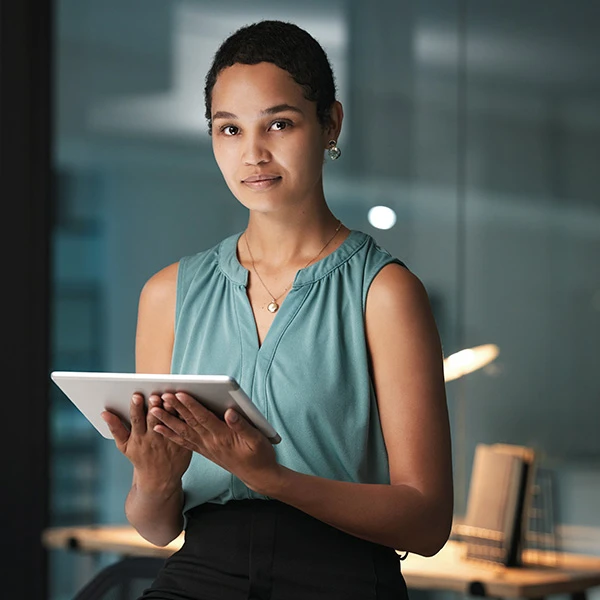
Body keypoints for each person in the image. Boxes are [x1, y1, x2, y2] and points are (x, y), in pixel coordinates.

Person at [101, 19, 453, 600]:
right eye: (229, 129)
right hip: (201, 577)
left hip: (338, 581)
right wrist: (154, 478)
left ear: (330, 124)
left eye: (280, 123)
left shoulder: (384, 293)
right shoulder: (167, 294)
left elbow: (428, 522)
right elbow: (157, 527)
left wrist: (272, 479)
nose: (253, 153)